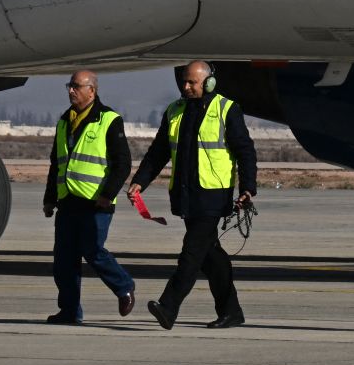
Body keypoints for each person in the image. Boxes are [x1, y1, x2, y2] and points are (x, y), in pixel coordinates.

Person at [128, 61, 257, 329]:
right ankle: (231, 311)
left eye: (192, 83)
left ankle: (169, 306)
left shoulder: (226, 109)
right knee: (211, 257)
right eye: (184, 82)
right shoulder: (175, 111)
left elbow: (245, 151)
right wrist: (140, 182)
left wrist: (247, 187)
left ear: (209, 82)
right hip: (186, 196)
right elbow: (158, 152)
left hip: (213, 195)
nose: (186, 87)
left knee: (191, 252)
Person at [42, 69, 136, 324]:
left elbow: (123, 163)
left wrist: (107, 194)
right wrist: (50, 198)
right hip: (68, 200)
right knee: (64, 260)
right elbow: (57, 163)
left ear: (92, 90)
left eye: (76, 86)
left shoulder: (108, 119)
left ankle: (124, 287)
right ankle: (70, 311)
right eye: (69, 86)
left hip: (97, 202)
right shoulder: (64, 121)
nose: (71, 91)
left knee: (93, 250)